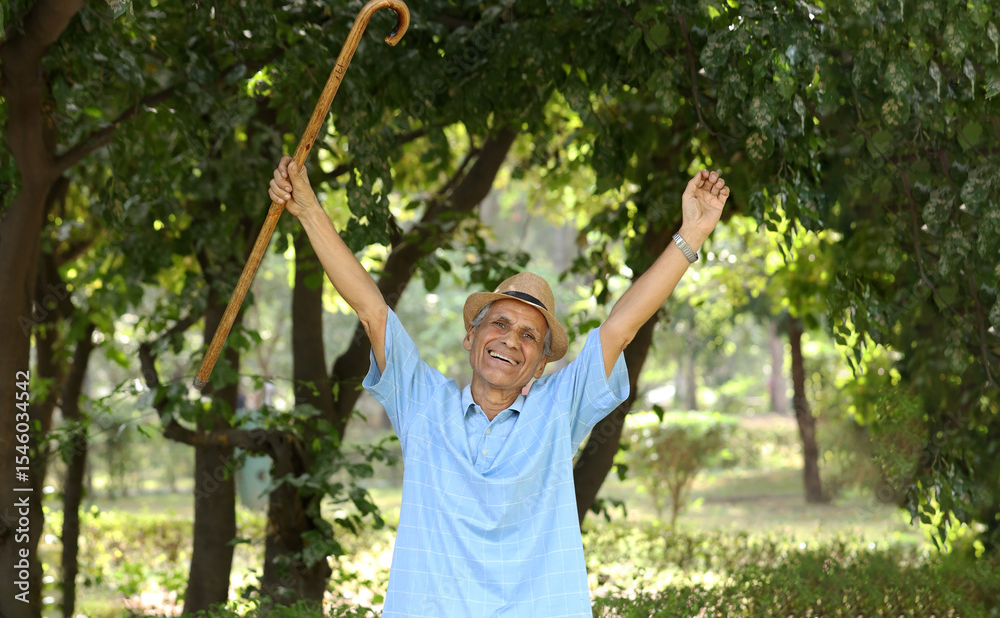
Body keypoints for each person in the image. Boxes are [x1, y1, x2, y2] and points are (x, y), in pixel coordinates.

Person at [268, 155, 730, 617]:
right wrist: (306, 207)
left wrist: (692, 233)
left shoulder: (557, 411)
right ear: (471, 337)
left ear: (541, 365)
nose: (510, 340)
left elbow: (620, 329)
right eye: (500, 324)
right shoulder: (423, 404)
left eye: (529, 336)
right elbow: (371, 310)